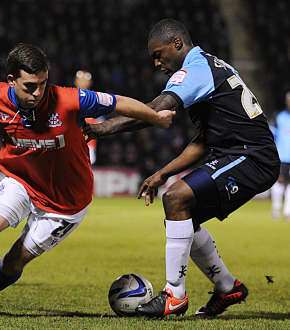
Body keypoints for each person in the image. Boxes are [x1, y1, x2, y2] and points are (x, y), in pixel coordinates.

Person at [0, 43, 175, 313]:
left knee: (13, 262)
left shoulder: (69, 100)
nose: (38, 92)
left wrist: (155, 118)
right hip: (22, 181)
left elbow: (119, 102)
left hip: (65, 204)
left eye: (42, 83)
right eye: (30, 86)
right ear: (11, 81)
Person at [85, 19, 279, 318]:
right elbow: (203, 142)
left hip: (252, 156)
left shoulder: (195, 69)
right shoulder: (208, 70)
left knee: (175, 199)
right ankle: (228, 288)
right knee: (183, 216)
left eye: (159, 54)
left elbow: (155, 109)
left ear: (177, 43)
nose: (156, 62)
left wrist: (101, 128)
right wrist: (163, 172)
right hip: (238, 153)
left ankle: (174, 295)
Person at [270, 90, 290, 221]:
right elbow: (271, 135)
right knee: (279, 182)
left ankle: (288, 211)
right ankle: (276, 209)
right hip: (282, 156)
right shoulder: (279, 117)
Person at [74, 70, 99, 164]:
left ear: (90, 83)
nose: (83, 82)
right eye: (80, 79)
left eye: (85, 80)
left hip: (89, 143)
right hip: (71, 141)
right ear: (75, 81)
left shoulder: (95, 98)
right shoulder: (69, 96)